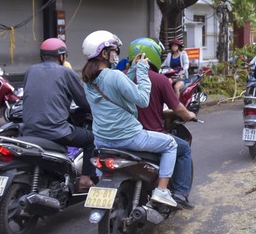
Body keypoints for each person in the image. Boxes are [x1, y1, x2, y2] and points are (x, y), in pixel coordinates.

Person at [81, 30, 178, 207]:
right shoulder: (114, 75)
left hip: (102, 140)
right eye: (113, 51)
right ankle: (162, 191)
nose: (116, 54)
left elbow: (116, 87)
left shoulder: (88, 80)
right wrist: (142, 70)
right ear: (104, 53)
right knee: (171, 144)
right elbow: (142, 100)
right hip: (128, 137)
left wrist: (132, 68)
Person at [128, 37, 197, 209]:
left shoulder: (121, 78)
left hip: (122, 136)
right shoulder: (160, 80)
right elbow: (177, 107)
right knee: (184, 150)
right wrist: (188, 115)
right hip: (151, 135)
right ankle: (180, 194)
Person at [21, 38, 97, 191]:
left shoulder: (31, 71)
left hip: (28, 130)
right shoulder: (65, 72)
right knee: (91, 139)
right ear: (61, 56)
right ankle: (85, 180)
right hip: (55, 131)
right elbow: (83, 101)